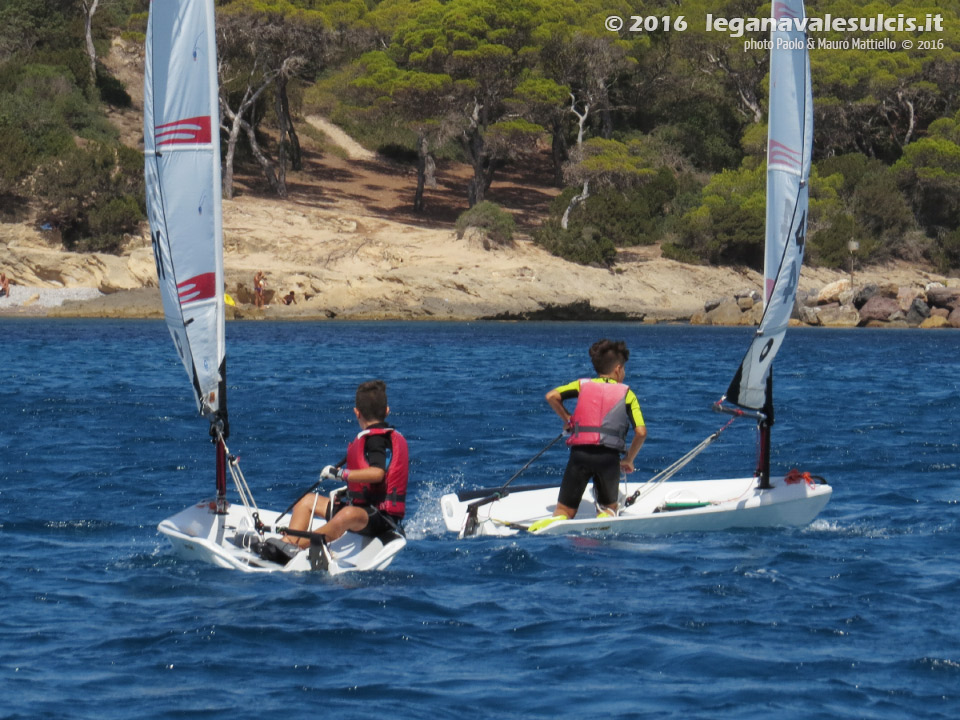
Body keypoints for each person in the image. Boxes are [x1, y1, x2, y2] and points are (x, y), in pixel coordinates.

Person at [531, 339, 646, 531]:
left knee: (564, 511)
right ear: (618, 369)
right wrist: (629, 460)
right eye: (624, 368)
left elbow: (551, 396)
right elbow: (641, 432)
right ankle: (604, 515)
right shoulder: (628, 394)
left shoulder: (582, 384)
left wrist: (568, 419)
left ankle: (556, 520)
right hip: (608, 459)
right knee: (609, 508)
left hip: (580, 456)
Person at [282, 380, 409, 550]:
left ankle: (295, 546)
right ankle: (288, 541)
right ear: (387, 411)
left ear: (357, 413)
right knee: (306, 502)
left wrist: (341, 474)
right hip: (361, 509)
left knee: (346, 514)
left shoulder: (377, 441)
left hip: (381, 518)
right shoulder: (372, 439)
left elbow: (377, 473)